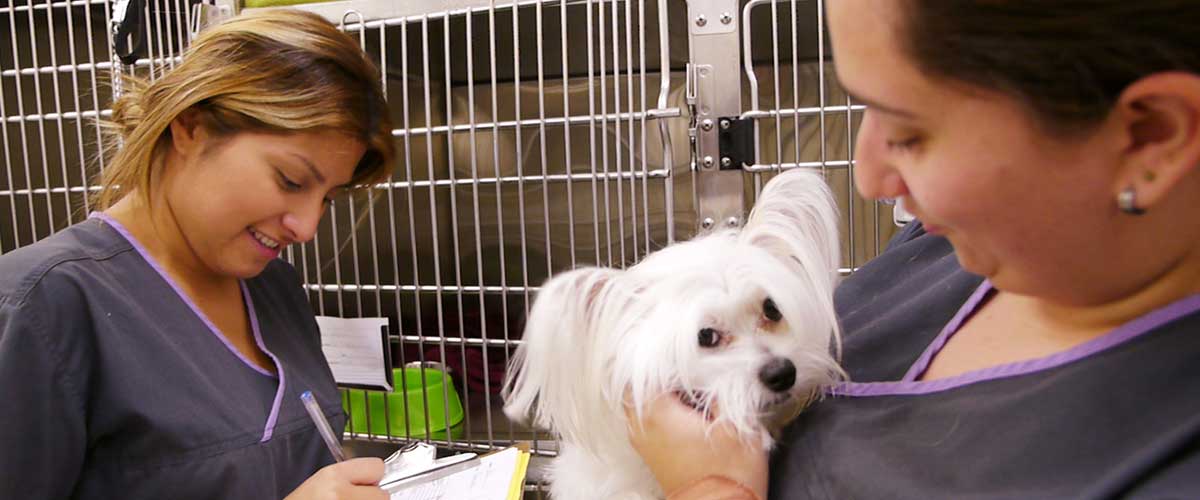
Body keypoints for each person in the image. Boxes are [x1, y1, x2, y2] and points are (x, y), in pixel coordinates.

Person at [629, 1, 1200, 498]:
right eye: (863, 108)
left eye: (909, 133)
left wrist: (709, 488)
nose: (868, 177)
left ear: (1149, 136)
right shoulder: (954, 246)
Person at [0, 9, 396, 499]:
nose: (308, 227)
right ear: (192, 127)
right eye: (291, 181)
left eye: (327, 198)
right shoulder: (42, 306)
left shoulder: (275, 290)